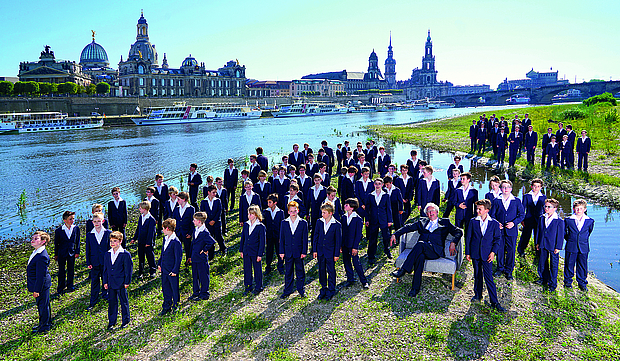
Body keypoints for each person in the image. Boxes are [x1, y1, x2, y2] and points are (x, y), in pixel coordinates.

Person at [390, 203, 463, 297]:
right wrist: (395, 234)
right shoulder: (422, 222)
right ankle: (415, 289)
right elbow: (408, 227)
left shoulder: (445, 222)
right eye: (428, 212)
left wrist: (453, 242)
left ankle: (403, 270)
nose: (430, 213)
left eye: (432, 210)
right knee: (420, 257)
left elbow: (459, 232)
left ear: (437, 212)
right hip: (422, 250)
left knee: (420, 244)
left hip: (435, 251)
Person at [466, 199, 506, 312]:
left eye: (480, 209)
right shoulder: (473, 221)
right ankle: (477, 295)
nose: (477, 210)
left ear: (487, 210)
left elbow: (497, 239)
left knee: (489, 278)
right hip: (475, 253)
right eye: (477, 208)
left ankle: (494, 302)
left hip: (487, 254)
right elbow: (468, 238)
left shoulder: (493, 223)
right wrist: (467, 253)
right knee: (477, 275)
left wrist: (493, 252)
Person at [491, 180, 525, 280]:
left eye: (507, 187)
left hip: (512, 230)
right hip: (500, 230)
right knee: (500, 249)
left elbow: (521, 215)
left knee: (511, 250)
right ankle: (500, 268)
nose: (505, 189)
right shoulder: (496, 200)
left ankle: (509, 270)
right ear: (501, 189)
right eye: (503, 187)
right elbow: (492, 215)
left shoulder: (516, 201)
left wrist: (513, 223)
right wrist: (497, 223)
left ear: (511, 189)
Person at [103, 231, 132, 330]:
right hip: (111, 282)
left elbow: (128, 270)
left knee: (123, 301)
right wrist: (105, 281)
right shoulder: (107, 254)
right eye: (111, 241)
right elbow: (105, 269)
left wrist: (127, 282)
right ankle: (112, 321)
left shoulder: (125, 254)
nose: (112, 243)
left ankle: (125, 320)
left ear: (120, 241)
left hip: (121, 282)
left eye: (115, 241)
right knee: (112, 302)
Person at [279, 201, 308, 299]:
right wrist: (281, 251)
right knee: (288, 271)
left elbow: (305, 239)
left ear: (298, 210)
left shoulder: (303, 223)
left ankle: (301, 289)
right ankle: (287, 290)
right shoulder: (284, 223)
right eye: (291, 211)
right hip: (288, 251)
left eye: (295, 211)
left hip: (299, 252)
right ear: (288, 212)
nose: (293, 213)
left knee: (300, 271)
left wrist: (304, 251)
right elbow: (282, 238)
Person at [313, 202, 342, 301]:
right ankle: (323, 288)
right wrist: (314, 250)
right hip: (321, 251)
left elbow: (338, 240)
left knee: (331, 270)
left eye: (324, 212)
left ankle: (331, 289)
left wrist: (336, 253)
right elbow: (315, 236)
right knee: (321, 269)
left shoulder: (336, 224)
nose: (322, 214)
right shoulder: (319, 222)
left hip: (330, 252)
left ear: (330, 213)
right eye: (322, 212)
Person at [564, 199, 595, 291]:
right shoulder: (568, 220)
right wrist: (570, 239)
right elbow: (565, 233)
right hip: (571, 245)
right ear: (573, 209)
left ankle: (582, 282)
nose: (578, 210)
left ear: (584, 209)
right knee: (569, 264)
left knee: (582, 265)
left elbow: (588, 232)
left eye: (581, 208)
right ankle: (568, 282)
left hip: (583, 246)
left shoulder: (590, 221)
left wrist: (581, 240)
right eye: (577, 208)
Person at [535, 199, 564, 292]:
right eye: (545, 206)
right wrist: (537, 243)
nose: (546, 208)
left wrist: (558, 247)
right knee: (542, 262)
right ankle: (543, 278)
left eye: (549, 207)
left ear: (555, 208)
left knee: (553, 264)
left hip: (553, 245)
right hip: (543, 243)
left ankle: (552, 284)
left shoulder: (559, 221)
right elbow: (539, 231)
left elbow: (560, 235)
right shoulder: (542, 218)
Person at [27, 231, 52, 334]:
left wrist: (37, 290)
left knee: (43, 305)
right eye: (33, 238)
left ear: (43, 241)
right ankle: (45, 323)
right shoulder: (37, 252)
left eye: (36, 238)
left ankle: (44, 327)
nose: (33, 240)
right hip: (40, 284)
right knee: (43, 304)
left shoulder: (42, 256)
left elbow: (40, 276)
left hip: (41, 286)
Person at [85, 212, 111, 310]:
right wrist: (88, 262)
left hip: (105, 262)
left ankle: (106, 294)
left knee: (106, 279)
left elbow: (110, 249)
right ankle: (93, 301)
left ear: (103, 221)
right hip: (95, 262)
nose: (97, 223)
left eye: (99, 221)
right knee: (95, 281)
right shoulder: (89, 235)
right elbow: (88, 249)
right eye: (95, 222)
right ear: (92, 222)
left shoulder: (108, 233)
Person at [341, 198, 369, 288]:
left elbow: (358, 234)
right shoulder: (344, 217)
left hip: (353, 245)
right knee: (346, 262)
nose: (344, 206)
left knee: (356, 263)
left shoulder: (358, 219)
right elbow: (342, 232)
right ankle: (350, 279)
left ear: (352, 207)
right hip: (345, 244)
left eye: (346, 205)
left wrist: (355, 247)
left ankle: (364, 281)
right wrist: (341, 245)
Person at [365, 178, 393, 264]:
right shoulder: (370, 195)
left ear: (382, 185)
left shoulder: (386, 195)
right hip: (373, 220)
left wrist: (389, 220)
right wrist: (367, 220)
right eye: (376, 184)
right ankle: (371, 255)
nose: (377, 185)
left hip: (383, 219)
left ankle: (387, 250)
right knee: (373, 237)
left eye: (379, 184)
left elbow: (388, 209)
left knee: (386, 236)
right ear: (374, 185)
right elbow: (367, 209)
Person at [240, 205, 267, 296]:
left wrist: (260, 254)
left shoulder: (260, 226)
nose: (249, 216)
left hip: (255, 252)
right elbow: (243, 238)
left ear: (256, 215)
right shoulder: (246, 224)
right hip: (246, 251)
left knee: (257, 270)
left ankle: (259, 287)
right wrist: (241, 250)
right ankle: (248, 286)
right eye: (248, 214)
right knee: (247, 269)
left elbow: (262, 242)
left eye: (251, 214)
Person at [158, 218, 182, 315]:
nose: (162, 230)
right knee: (166, 287)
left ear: (167, 228)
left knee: (174, 288)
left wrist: (175, 270)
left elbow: (178, 257)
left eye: (163, 228)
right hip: (164, 269)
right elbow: (163, 252)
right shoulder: (165, 238)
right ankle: (166, 305)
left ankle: (176, 305)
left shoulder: (176, 241)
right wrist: (159, 263)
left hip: (172, 270)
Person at [189, 212, 215, 301]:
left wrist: (204, 249)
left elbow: (211, 242)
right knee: (195, 275)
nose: (193, 221)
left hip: (201, 258)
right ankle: (196, 292)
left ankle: (204, 293)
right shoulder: (195, 230)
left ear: (199, 221)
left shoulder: (204, 232)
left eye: (195, 220)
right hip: (194, 257)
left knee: (203, 275)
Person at [518, 179, 546, 256]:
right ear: (531, 186)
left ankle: (538, 251)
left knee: (538, 235)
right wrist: (522, 219)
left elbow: (544, 210)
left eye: (538, 186)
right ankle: (521, 250)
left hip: (539, 220)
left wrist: (544, 220)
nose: (536, 188)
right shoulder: (526, 196)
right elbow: (523, 208)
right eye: (534, 186)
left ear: (541, 187)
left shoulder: (543, 197)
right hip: (528, 219)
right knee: (526, 235)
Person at [54, 210, 80, 294]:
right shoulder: (59, 231)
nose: (72, 221)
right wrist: (56, 254)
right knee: (61, 271)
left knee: (71, 269)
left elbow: (77, 241)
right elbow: (56, 244)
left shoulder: (76, 228)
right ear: (65, 220)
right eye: (70, 219)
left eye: (73, 219)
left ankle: (70, 285)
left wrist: (77, 251)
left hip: (71, 252)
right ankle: (60, 287)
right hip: (62, 253)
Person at [200, 185, 226, 259]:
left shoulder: (217, 200)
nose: (215, 194)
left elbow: (219, 211)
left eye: (215, 192)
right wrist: (208, 221)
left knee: (219, 237)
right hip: (208, 224)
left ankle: (223, 249)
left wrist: (214, 220)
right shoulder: (204, 202)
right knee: (210, 238)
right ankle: (211, 254)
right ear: (208, 192)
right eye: (213, 192)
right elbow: (203, 213)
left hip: (216, 222)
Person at [132, 201, 157, 277]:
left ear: (145, 209)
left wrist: (149, 242)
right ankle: (141, 271)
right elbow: (138, 229)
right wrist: (134, 238)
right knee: (141, 256)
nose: (139, 210)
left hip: (147, 242)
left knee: (150, 256)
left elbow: (151, 233)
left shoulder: (151, 219)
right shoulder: (141, 217)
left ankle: (152, 270)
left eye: (140, 208)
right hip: (141, 241)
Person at [263, 194, 285, 275]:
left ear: (275, 203)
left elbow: (282, 225)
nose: (268, 204)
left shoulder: (280, 212)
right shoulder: (266, 212)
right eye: (268, 202)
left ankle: (280, 267)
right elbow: (264, 224)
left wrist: (281, 237)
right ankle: (268, 267)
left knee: (279, 251)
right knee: (269, 251)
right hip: (269, 236)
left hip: (278, 236)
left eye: (270, 202)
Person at [173, 192, 195, 266]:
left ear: (184, 199)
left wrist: (190, 233)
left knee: (188, 247)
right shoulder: (176, 209)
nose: (177, 201)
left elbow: (192, 223)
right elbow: (174, 220)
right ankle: (177, 263)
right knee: (177, 249)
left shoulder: (191, 209)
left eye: (179, 199)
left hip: (186, 232)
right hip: (178, 232)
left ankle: (188, 261)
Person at [307, 174, 327, 240]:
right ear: (314, 181)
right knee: (313, 229)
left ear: (321, 180)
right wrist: (307, 213)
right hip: (313, 212)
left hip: (321, 212)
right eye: (315, 180)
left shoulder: (324, 189)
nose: (317, 181)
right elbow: (308, 202)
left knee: (320, 229)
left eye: (318, 180)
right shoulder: (311, 189)